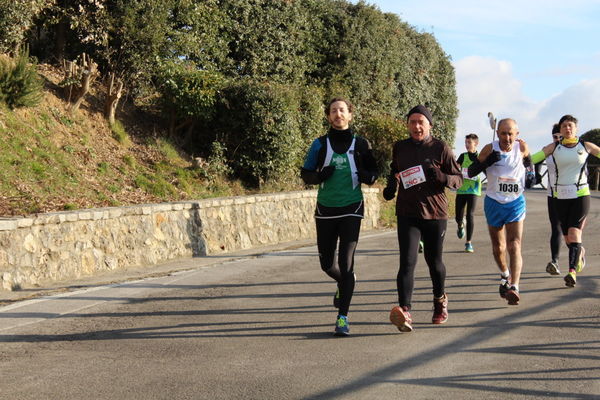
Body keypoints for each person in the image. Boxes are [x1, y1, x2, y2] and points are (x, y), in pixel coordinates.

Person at [300, 97, 378, 336]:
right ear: (328, 116)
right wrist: (321, 176)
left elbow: (374, 174)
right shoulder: (320, 144)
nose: (338, 114)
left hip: (351, 208)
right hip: (325, 210)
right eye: (333, 111)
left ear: (350, 115)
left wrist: (365, 173)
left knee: (346, 263)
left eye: (342, 110)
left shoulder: (362, 144)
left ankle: (342, 317)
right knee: (327, 264)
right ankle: (345, 282)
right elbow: (306, 175)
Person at [383, 105, 462, 332]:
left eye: (421, 122)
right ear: (407, 125)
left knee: (434, 262)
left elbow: (458, 179)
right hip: (407, 212)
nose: (417, 126)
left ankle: (440, 302)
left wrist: (442, 177)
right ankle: (405, 310)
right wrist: (391, 187)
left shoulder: (440, 148)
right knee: (407, 262)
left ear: (429, 125)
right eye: (412, 122)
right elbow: (395, 170)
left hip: (435, 214)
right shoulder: (400, 147)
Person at [466, 118, 531, 306]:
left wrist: (531, 172)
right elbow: (471, 172)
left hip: (515, 202)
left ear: (517, 134)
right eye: (503, 133)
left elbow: (529, 165)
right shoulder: (489, 148)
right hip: (494, 202)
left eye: (511, 133)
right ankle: (505, 274)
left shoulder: (522, 147)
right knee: (499, 248)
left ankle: (514, 286)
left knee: (515, 245)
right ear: (497, 134)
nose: (507, 137)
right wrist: (486, 162)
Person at [530, 114, 600, 287]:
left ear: (576, 128)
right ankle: (580, 253)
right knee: (567, 237)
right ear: (560, 130)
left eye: (570, 126)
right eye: (564, 126)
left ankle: (572, 272)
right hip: (559, 196)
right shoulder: (553, 147)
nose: (567, 129)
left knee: (575, 232)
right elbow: (532, 159)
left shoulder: (585, 146)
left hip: (580, 194)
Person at [540, 124, 564, 276]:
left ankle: (578, 252)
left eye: (560, 137)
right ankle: (554, 261)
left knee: (570, 231)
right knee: (556, 228)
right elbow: (535, 160)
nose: (557, 139)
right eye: (555, 137)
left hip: (575, 196)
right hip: (553, 194)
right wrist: (536, 174)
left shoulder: (575, 150)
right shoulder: (549, 149)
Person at [455, 133, 482, 253]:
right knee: (458, 216)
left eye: (469, 143)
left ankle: (468, 243)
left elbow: (487, 170)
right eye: (466, 142)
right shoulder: (462, 156)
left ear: (476, 143)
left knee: (470, 214)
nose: (467, 145)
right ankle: (460, 225)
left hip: (474, 190)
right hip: (461, 189)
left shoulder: (480, 157)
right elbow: (455, 167)